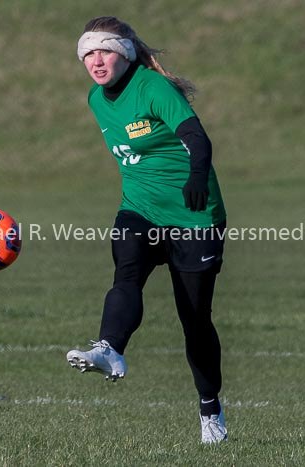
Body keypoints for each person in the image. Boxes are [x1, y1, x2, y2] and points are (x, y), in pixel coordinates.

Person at [65, 16, 228, 444]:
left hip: (194, 216)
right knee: (127, 274)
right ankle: (109, 348)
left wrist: (197, 175)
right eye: (88, 53)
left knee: (195, 320)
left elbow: (197, 136)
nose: (96, 61)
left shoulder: (153, 88)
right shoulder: (96, 99)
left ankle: (210, 408)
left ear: (125, 53)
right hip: (139, 210)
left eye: (104, 51)